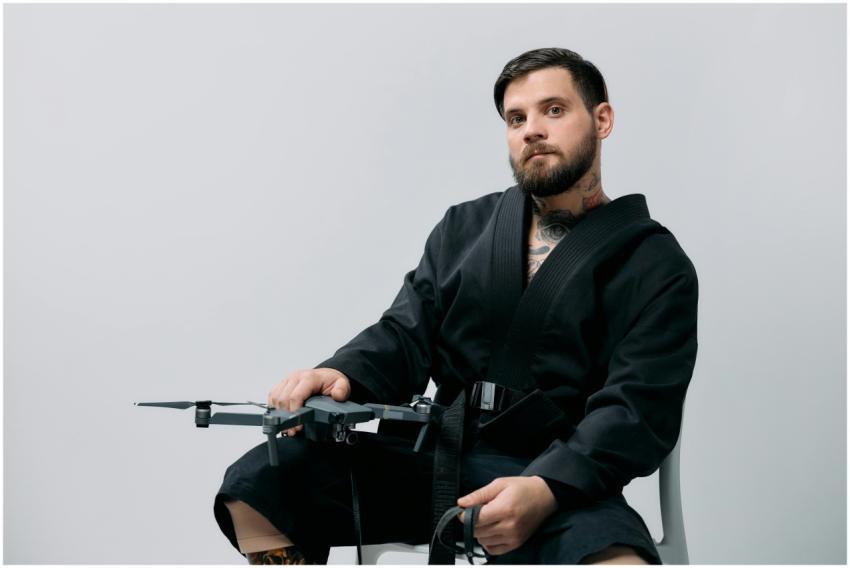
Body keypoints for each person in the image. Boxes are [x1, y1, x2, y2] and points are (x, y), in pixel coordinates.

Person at [213, 47, 698, 565]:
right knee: (259, 482)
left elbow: (635, 407)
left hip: (552, 476)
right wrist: (340, 373)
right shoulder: (463, 228)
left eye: (553, 110)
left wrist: (546, 488)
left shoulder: (655, 263)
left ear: (602, 120)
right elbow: (404, 333)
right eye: (516, 118)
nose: (532, 130)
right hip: (434, 460)